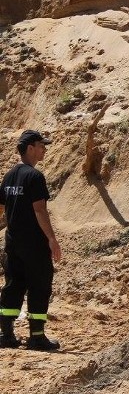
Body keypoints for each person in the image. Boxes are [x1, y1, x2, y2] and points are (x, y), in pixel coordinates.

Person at [0, 129, 62, 350]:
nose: (44, 149)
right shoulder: (35, 177)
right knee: (39, 285)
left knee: (13, 285)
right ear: (30, 148)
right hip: (34, 244)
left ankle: (6, 335)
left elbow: (1, 209)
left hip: (13, 243)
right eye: (41, 145)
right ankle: (37, 337)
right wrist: (52, 239)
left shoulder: (8, 176)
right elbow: (40, 211)